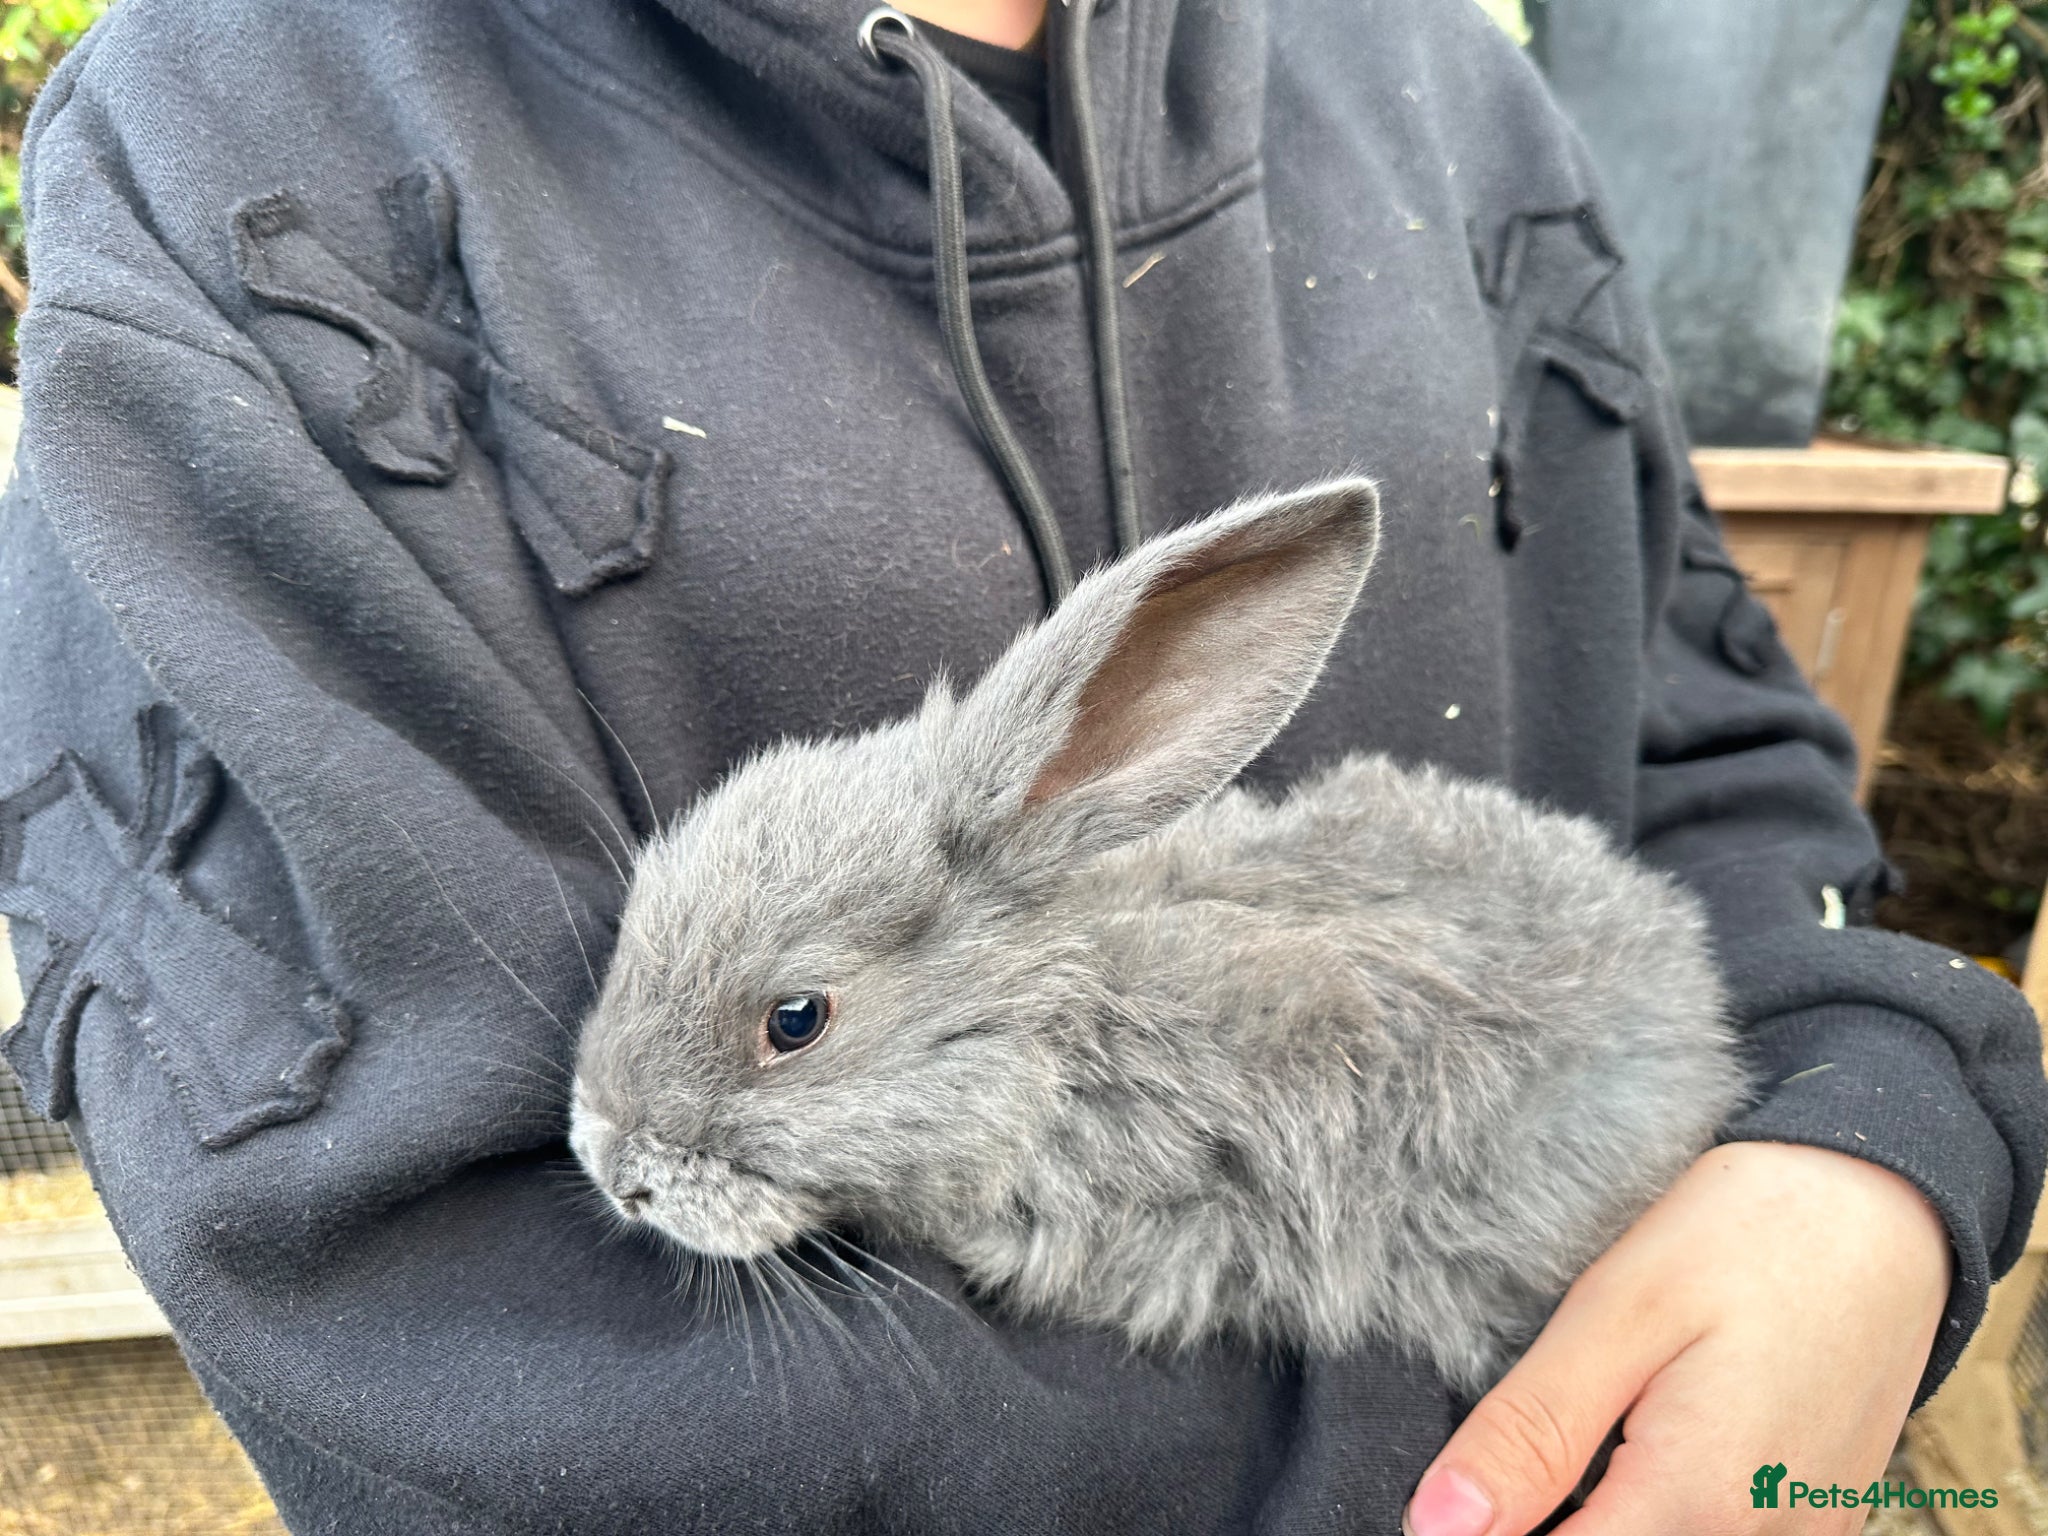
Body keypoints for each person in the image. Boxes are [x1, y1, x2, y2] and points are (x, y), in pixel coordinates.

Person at [0, 0, 2039, 1530]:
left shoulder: (1449, 90)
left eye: (795, 1024)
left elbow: (1718, 774)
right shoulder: (244, 154)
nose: (627, 1146)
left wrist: (1859, 1146)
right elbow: (425, 1311)